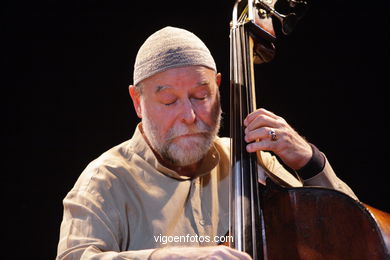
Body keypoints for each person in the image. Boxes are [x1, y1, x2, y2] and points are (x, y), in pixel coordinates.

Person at [56, 26, 357, 260]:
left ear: (218, 88)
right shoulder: (105, 180)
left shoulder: (250, 160)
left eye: (201, 97)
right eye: (169, 100)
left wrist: (310, 162)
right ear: (138, 102)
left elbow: (353, 237)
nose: (189, 115)